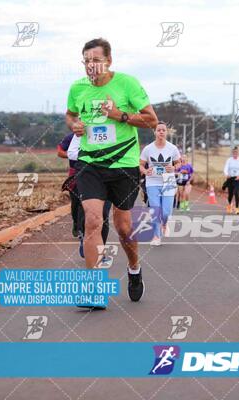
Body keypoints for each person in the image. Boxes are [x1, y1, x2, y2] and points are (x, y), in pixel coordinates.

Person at [65, 37, 158, 306]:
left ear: (109, 61)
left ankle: (134, 269)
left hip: (123, 165)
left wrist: (119, 115)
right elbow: (70, 114)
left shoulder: (127, 84)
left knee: (124, 229)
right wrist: (75, 125)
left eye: (96, 60)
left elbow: (151, 119)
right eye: (87, 61)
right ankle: (94, 289)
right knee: (93, 220)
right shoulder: (77, 88)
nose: (91, 66)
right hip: (90, 163)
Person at [65, 134, 112, 258]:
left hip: (109, 177)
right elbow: (71, 153)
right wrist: (92, 156)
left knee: (104, 214)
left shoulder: (114, 130)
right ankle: (84, 238)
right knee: (86, 212)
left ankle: (100, 249)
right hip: (87, 177)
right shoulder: (82, 131)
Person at [139, 123, 181, 246]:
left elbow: (178, 163)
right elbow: (140, 164)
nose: (161, 132)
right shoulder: (148, 149)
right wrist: (145, 171)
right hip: (152, 182)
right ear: (155, 132)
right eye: (159, 130)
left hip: (168, 181)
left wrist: (173, 167)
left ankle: (164, 223)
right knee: (155, 210)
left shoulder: (172, 148)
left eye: (163, 130)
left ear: (166, 132)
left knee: (166, 212)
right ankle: (156, 236)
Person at [222, 146, 239, 214]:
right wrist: (226, 174)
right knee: (230, 194)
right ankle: (229, 206)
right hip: (230, 179)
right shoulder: (229, 160)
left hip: (237, 179)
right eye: (234, 152)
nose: (235, 153)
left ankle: (237, 208)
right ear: (232, 153)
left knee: (236, 192)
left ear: (238, 153)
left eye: (236, 152)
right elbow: (225, 168)